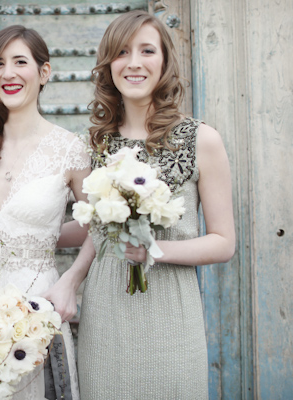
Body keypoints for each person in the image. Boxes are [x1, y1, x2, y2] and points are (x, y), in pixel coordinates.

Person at [74, 10, 236, 399]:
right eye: (122, 52)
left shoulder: (202, 140)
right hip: (106, 304)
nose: (134, 63)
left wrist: (155, 249)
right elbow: (91, 230)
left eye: (147, 51)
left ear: (164, 61)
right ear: (108, 65)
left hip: (171, 305)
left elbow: (223, 242)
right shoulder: (94, 144)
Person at [0, 25, 96, 399]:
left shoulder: (69, 149)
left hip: (38, 304)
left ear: (44, 72)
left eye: (20, 61)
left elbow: (99, 226)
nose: (8, 73)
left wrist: (71, 280)